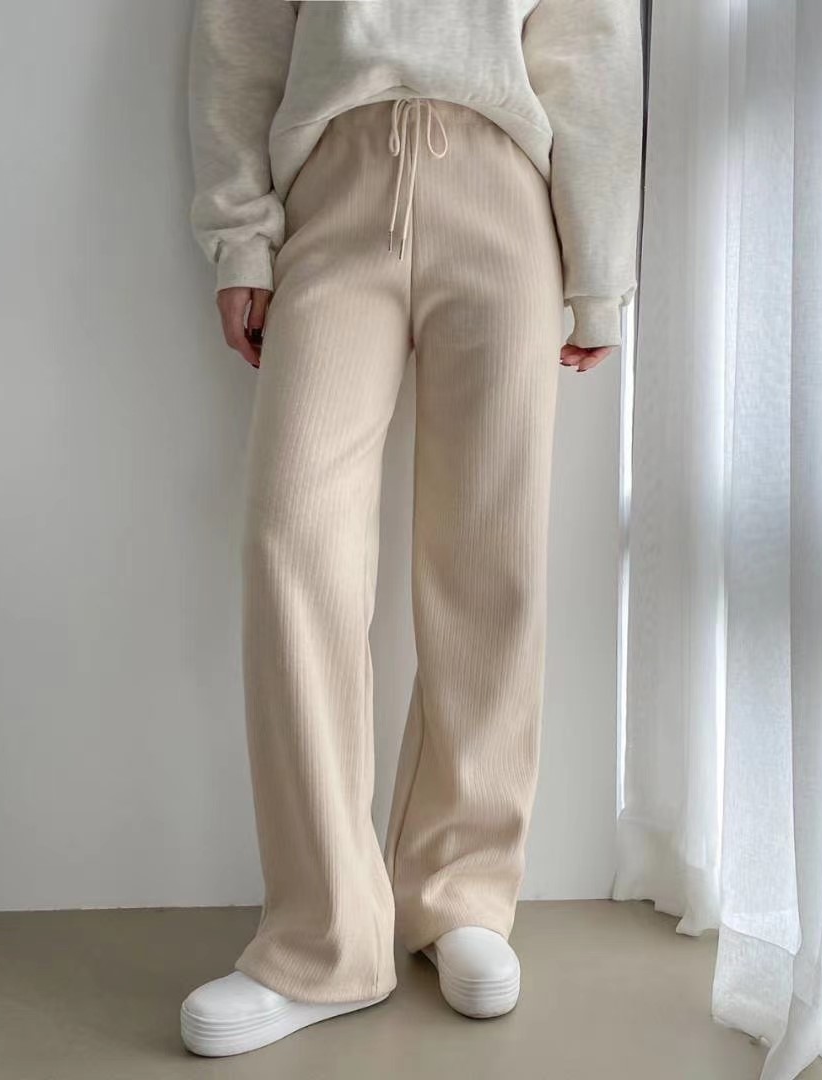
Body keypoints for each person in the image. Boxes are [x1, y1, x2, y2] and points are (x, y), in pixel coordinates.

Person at [180, 0, 642, 1058]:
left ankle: (460, 893)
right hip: (334, 183)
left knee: (491, 556)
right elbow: (239, 35)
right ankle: (323, 939)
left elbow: (590, 49)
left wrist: (599, 274)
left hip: (505, 188)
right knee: (293, 537)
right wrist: (240, 234)